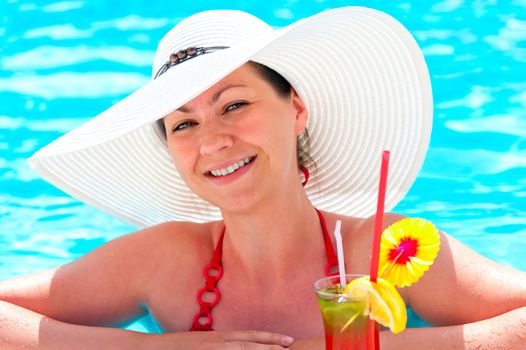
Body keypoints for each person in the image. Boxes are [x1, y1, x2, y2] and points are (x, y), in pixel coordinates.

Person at [1, 6, 525, 350]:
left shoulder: (385, 249)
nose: (212, 141)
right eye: (184, 123)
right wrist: (168, 347)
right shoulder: (162, 260)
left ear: (295, 109)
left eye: (234, 105)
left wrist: (372, 347)